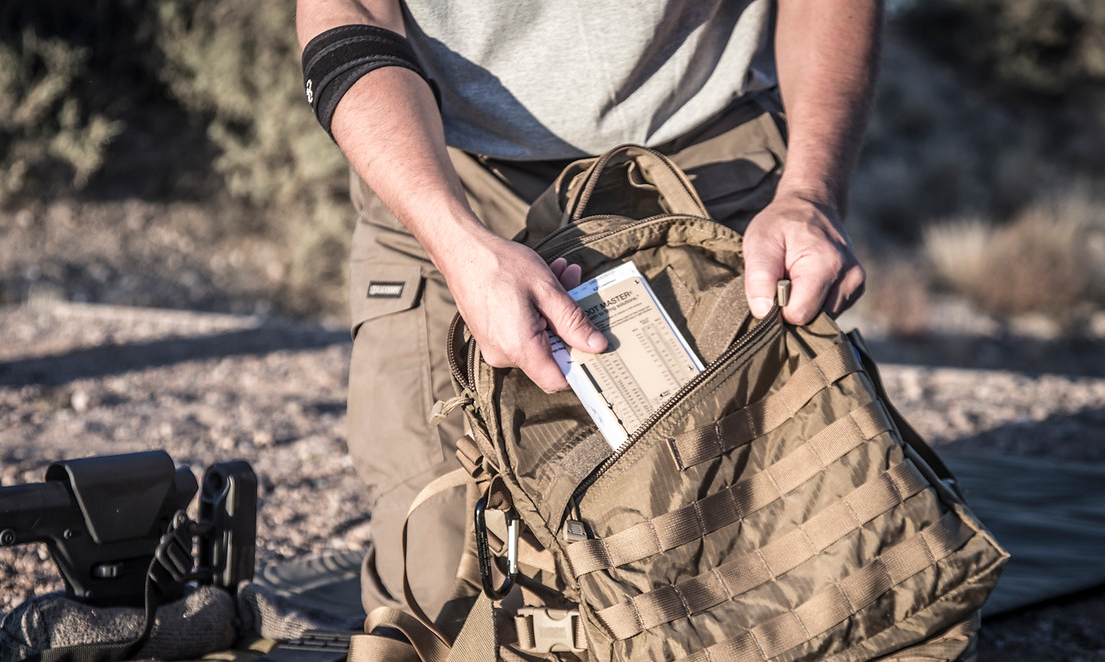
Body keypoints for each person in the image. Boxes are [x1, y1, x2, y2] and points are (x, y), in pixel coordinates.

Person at [295, 0, 881, 620]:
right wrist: (457, 242)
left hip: (708, 164)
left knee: (785, 602)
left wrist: (811, 192)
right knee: (444, 616)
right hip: (444, 174)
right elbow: (343, 13)